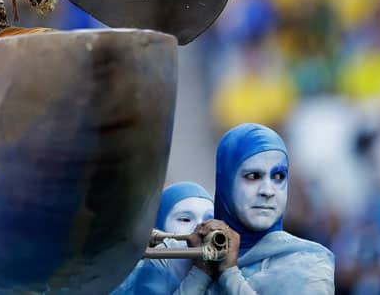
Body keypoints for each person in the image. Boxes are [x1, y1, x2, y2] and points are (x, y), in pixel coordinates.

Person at [176, 123, 335, 294]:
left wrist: (229, 274)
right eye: (253, 176)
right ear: (225, 183)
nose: (267, 191)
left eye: (278, 176)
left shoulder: (309, 264)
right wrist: (200, 273)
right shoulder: (178, 259)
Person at [112, 181, 214, 294]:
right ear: (157, 224)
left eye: (209, 221)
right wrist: (200, 273)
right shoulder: (126, 280)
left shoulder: (224, 271)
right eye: (185, 220)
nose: (200, 230)